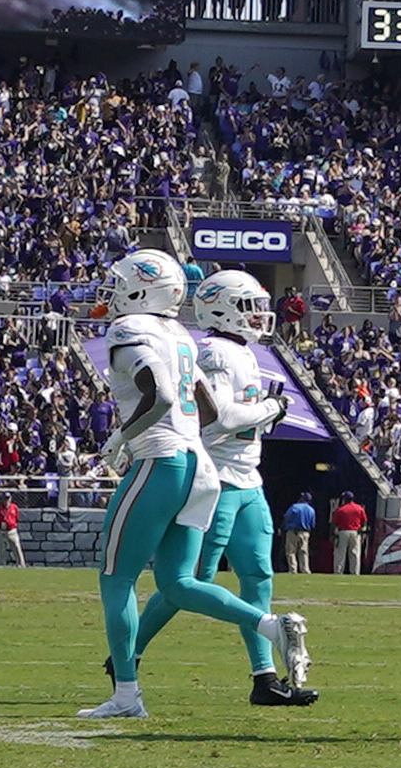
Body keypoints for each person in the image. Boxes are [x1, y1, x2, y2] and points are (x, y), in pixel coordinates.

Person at [83, 248, 276, 720]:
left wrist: (121, 437)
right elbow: (202, 406)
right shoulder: (181, 335)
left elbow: (162, 394)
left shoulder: (130, 329)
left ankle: (126, 694)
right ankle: (269, 624)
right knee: (180, 581)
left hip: (160, 460)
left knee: (116, 577)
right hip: (200, 468)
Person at [133, 268, 314, 707]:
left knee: (258, 577)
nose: (259, 316)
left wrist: (267, 411)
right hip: (216, 478)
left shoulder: (243, 352)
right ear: (223, 307)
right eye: (249, 307)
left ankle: (264, 677)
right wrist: (272, 407)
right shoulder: (213, 351)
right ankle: (126, 653)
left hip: (248, 478)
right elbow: (220, 418)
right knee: (191, 580)